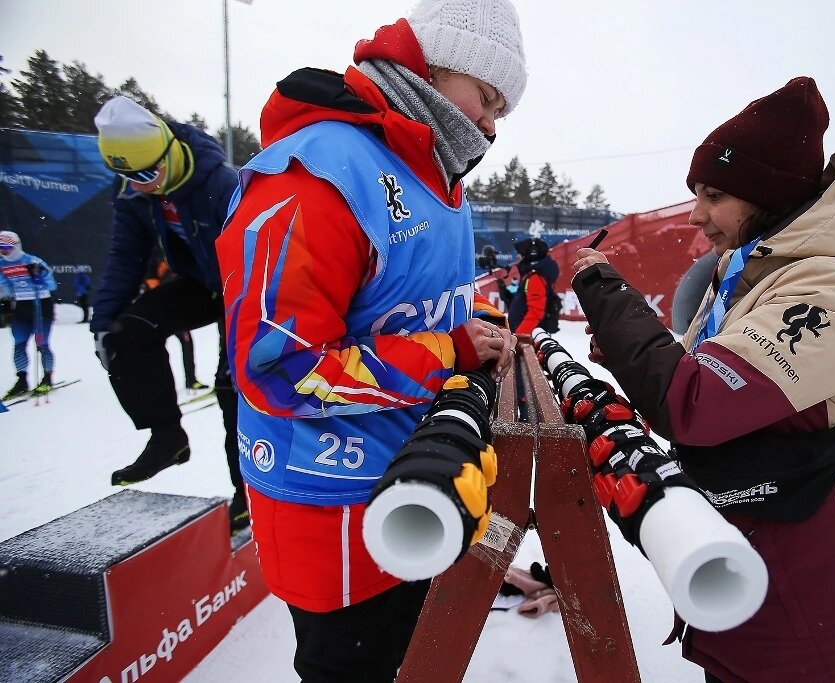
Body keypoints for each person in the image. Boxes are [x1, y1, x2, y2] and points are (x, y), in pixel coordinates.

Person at [216, 0, 525, 679]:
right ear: (440, 68)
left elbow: (417, 304)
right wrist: (448, 352)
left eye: (503, 109)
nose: (491, 125)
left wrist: (472, 327)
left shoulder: (438, 179)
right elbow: (278, 367)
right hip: (330, 505)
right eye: (488, 97)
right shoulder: (319, 175)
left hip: (416, 478)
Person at [572, 77, 835, 682]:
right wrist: (637, 358)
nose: (697, 215)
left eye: (715, 194)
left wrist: (607, 293)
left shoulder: (831, 286)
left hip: (811, 571)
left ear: (769, 196)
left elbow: (696, 402)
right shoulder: (747, 275)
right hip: (744, 545)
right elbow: (713, 385)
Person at [91, 95, 247, 530]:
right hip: (200, 282)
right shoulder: (134, 193)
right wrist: (102, 324)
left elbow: (260, 257)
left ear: (171, 154)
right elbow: (125, 259)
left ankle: (247, 490)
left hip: (244, 289)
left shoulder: (221, 186)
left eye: (145, 173)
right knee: (126, 332)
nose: (137, 184)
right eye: (124, 175)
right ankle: (167, 437)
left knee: (232, 387)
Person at [0, 230, 58, 398]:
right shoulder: (2, 264)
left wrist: (39, 277)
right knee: (19, 343)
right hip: (22, 305)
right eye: (1, 248)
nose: (4, 252)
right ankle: (22, 380)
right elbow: (5, 287)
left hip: (41, 304)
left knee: (42, 343)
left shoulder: (32, 261)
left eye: (6, 248)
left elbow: (52, 285)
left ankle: (47, 378)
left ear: (16, 246)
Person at [143, 253, 209, 392]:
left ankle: (190, 380)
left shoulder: (173, 257)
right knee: (156, 349)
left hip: (173, 310)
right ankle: (158, 387)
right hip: (159, 311)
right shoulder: (154, 258)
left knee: (187, 344)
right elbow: (150, 281)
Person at [506, 237, 560, 334]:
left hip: (525, 339)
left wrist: (519, 336)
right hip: (526, 337)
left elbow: (536, 312)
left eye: (520, 256)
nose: (518, 259)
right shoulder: (530, 275)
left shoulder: (534, 278)